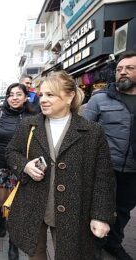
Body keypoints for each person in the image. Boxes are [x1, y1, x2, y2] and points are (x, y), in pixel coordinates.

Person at [6, 71, 116, 259]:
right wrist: (24, 165)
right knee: (36, 253)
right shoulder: (29, 125)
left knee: (69, 255)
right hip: (34, 204)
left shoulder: (92, 131)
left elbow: (103, 177)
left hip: (74, 211)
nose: (43, 100)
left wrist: (101, 215)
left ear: (70, 96)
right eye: (41, 95)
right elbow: (11, 152)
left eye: (50, 95)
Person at [82, 51, 136, 260]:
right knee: (99, 209)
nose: (122, 73)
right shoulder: (100, 99)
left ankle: (114, 244)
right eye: (120, 69)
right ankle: (94, 245)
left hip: (132, 171)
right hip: (105, 169)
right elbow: (83, 133)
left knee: (123, 211)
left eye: (129, 68)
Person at [0, 83, 34, 260]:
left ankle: (13, 243)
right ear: (6, 98)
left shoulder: (33, 116)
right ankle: (1, 221)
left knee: (15, 204)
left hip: (22, 167)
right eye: (10, 94)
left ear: (26, 97)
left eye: (18, 94)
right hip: (0, 165)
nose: (14, 97)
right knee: (3, 200)